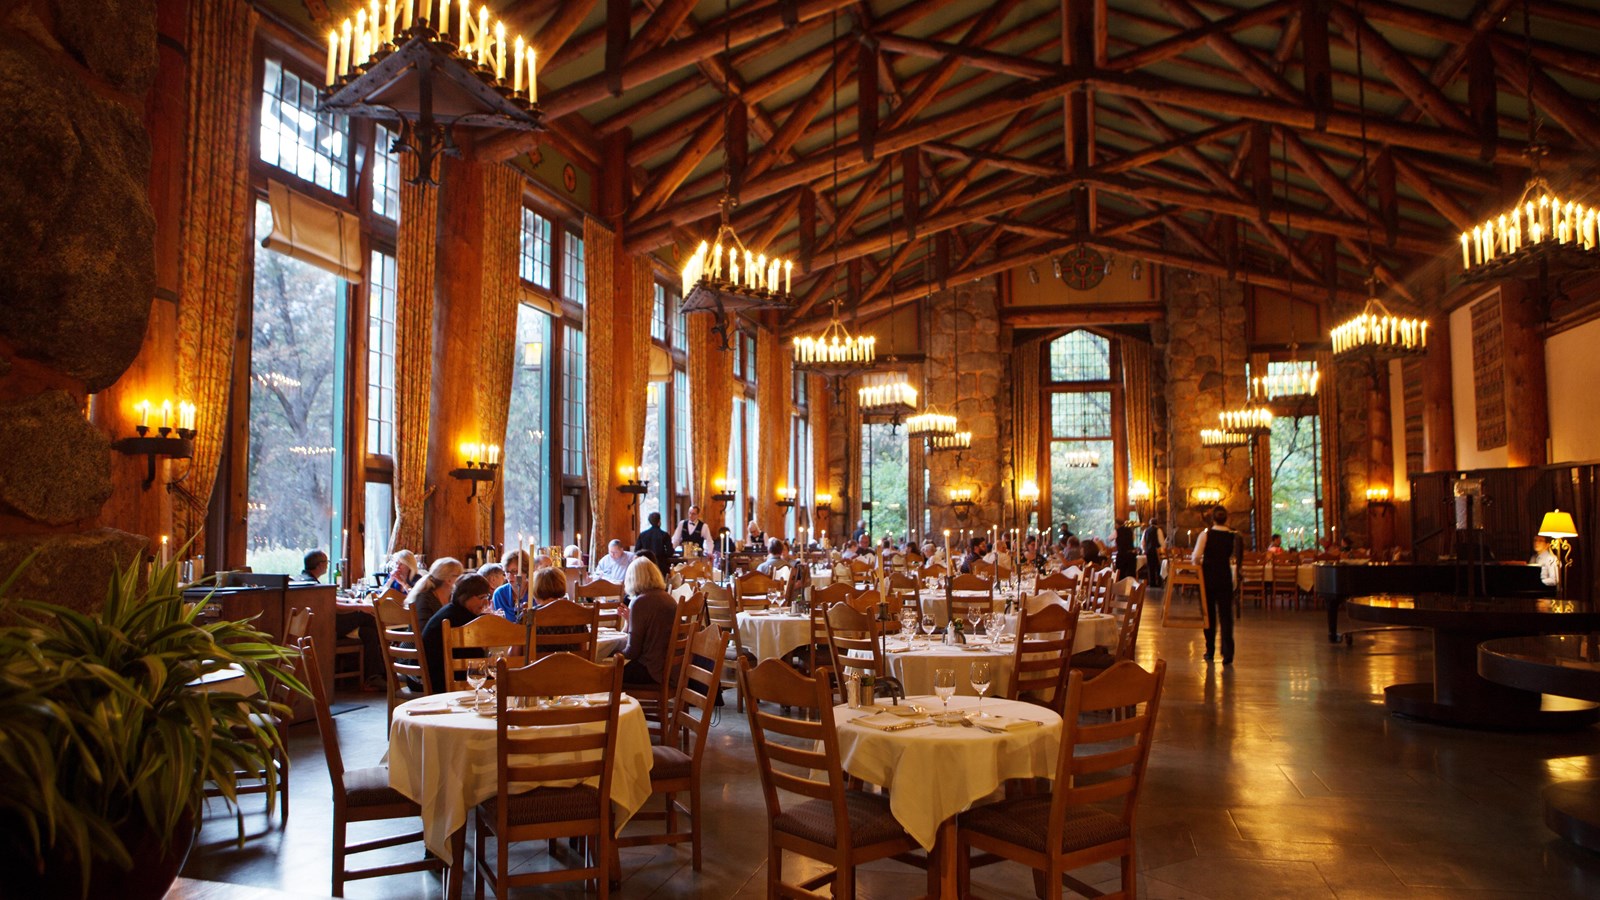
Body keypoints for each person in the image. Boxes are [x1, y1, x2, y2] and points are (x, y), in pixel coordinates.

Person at [298, 548, 384, 690]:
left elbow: (330, 598)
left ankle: (374, 677)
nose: (327, 565)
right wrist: (359, 607)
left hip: (322, 624)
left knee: (370, 632)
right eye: (327, 562)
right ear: (320, 565)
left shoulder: (306, 579)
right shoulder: (311, 583)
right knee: (367, 617)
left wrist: (352, 603)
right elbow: (333, 606)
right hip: (325, 627)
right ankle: (384, 671)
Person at [420, 573, 493, 694]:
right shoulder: (462, 621)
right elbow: (475, 661)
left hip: (422, 676)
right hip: (439, 680)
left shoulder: (450, 611)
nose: (486, 603)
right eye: (481, 597)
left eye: (487, 597)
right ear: (465, 597)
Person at [1192, 506, 1242, 665]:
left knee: (1209, 615)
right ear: (1226, 518)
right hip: (1225, 577)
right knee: (1226, 616)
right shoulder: (1233, 535)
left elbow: (1196, 556)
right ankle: (1228, 653)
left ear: (1212, 519)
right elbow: (1237, 557)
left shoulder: (1205, 535)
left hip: (1208, 578)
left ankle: (1210, 651)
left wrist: (1200, 565)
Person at [620, 557, 676, 686]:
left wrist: (610, 655)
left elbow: (633, 651)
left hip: (652, 670)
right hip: (671, 668)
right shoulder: (667, 598)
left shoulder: (640, 602)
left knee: (602, 671)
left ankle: (606, 705)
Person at [407, 557, 464, 630]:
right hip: (419, 641)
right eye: (460, 576)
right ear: (449, 580)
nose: (463, 579)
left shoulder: (453, 597)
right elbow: (423, 631)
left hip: (443, 640)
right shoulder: (424, 598)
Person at [490, 549, 534, 622]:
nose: (510, 576)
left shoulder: (536, 591)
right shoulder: (500, 594)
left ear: (526, 571)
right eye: (507, 572)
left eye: (514, 571)